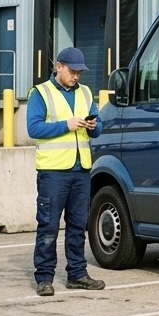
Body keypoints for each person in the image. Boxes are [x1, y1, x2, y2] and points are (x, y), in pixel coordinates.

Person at [26, 47, 105, 296]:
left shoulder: (85, 93)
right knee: (48, 225)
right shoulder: (40, 93)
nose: (76, 76)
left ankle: (77, 274)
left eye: (80, 72)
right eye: (72, 71)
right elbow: (34, 128)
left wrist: (93, 125)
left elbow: (98, 128)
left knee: (78, 224)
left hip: (81, 169)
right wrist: (66, 125)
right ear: (58, 66)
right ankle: (44, 277)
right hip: (53, 171)